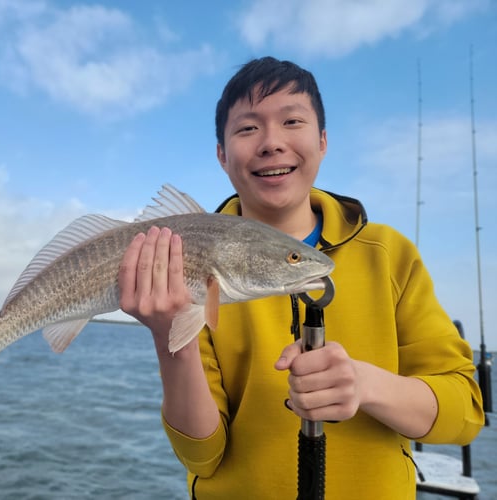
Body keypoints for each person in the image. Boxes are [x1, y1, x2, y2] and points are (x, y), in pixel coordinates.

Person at [118, 56, 484, 499]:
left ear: (323, 140)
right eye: (248, 128)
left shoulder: (390, 255)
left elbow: (464, 412)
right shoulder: (186, 262)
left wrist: (367, 385)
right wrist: (168, 340)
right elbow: (202, 456)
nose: (272, 142)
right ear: (221, 154)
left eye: (292, 120)